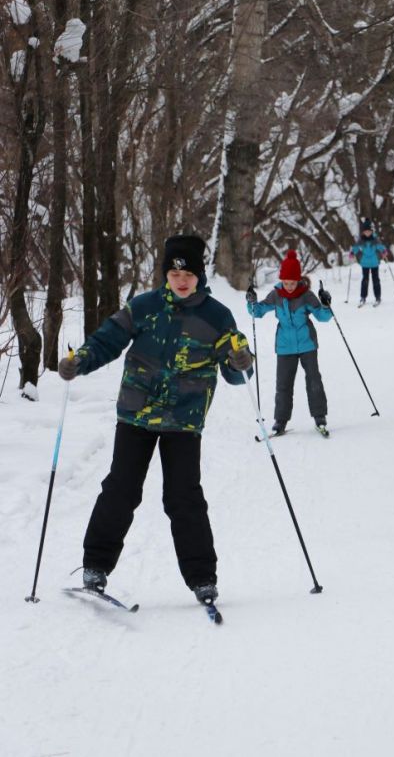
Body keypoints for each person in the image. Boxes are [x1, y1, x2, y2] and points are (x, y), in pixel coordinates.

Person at [58, 234, 253, 607]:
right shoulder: (144, 307)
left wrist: (240, 361)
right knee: (121, 488)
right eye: (174, 272)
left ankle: (202, 579)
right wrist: (79, 361)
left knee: (183, 498)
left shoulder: (216, 316)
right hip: (136, 413)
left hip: (184, 420)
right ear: (166, 273)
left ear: (199, 276)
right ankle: (95, 567)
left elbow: (236, 367)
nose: (181, 279)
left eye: (188, 273)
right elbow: (106, 341)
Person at [246, 249, 332, 435]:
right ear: (281, 280)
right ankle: (280, 421)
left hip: (307, 344)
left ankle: (320, 417)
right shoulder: (276, 295)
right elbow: (257, 312)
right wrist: (251, 301)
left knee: (313, 379)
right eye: (286, 282)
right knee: (283, 384)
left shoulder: (306, 295)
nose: (290, 286)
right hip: (285, 347)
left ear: (298, 280)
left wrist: (326, 303)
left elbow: (323, 317)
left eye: (292, 282)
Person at [351, 219, 388, 307]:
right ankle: (363, 297)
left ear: (371, 231)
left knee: (376, 280)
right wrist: (352, 253)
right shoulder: (361, 240)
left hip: (374, 262)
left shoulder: (375, 239)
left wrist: (384, 252)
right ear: (363, 232)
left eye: (369, 231)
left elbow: (381, 247)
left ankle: (378, 297)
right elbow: (355, 248)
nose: (367, 233)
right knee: (365, 280)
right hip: (365, 263)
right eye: (365, 231)